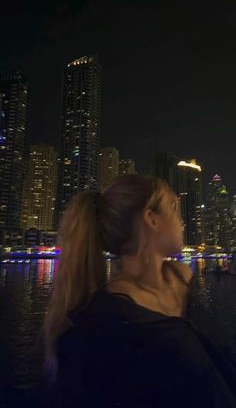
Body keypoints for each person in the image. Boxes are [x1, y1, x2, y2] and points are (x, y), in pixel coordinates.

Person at [42, 174, 236, 408]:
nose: (180, 221)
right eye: (173, 209)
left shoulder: (182, 280)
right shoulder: (99, 328)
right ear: (151, 219)